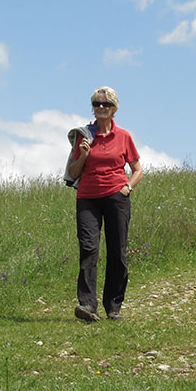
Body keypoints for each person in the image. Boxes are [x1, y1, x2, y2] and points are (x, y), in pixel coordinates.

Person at [67, 86, 143, 322]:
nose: (100, 108)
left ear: (114, 109)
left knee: (117, 251)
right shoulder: (84, 136)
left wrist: (127, 187)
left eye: (105, 104)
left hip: (116, 196)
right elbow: (73, 171)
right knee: (89, 248)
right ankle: (87, 305)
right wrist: (84, 155)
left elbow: (138, 169)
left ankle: (113, 306)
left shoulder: (124, 136)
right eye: (97, 104)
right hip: (88, 197)